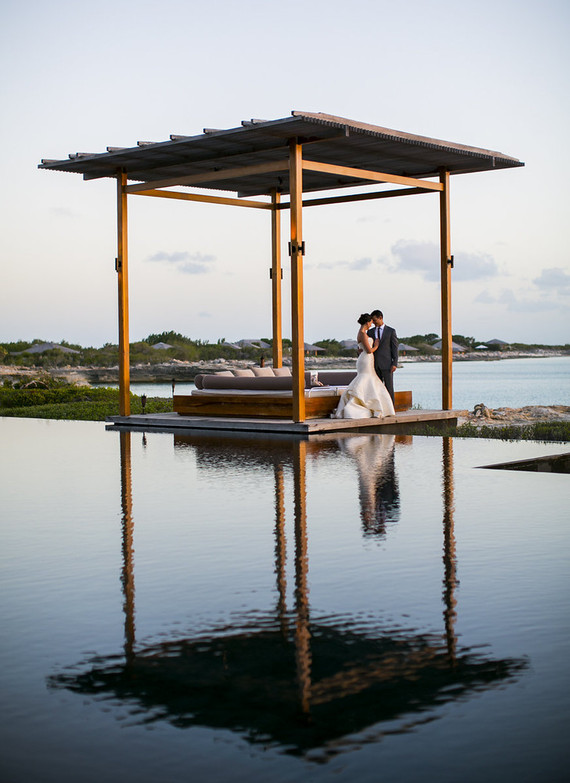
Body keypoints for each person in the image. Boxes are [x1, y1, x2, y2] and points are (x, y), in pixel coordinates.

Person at [332, 314, 395, 419]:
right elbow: (369, 351)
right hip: (366, 359)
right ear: (367, 323)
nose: (372, 324)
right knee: (366, 379)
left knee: (370, 381)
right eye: (371, 322)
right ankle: (366, 405)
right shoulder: (363, 334)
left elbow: (361, 348)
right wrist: (376, 345)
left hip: (367, 359)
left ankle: (375, 405)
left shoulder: (363, 333)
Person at [368, 309, 398, 404]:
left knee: (389, 387)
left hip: (387, 364)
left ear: (380, 318)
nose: (373, 323)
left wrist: (394, 363)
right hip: (375, 365)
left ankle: (391, 408)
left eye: (375, 320)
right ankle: (380, 407)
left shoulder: (391, 331)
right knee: (377, 388)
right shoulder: (370, 332)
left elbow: (395, 348)